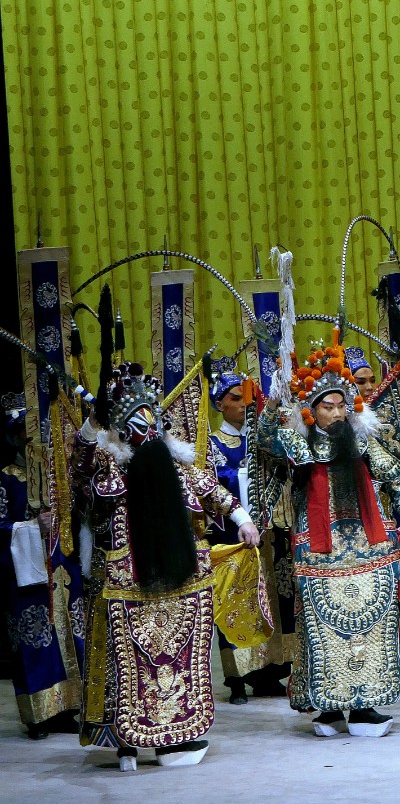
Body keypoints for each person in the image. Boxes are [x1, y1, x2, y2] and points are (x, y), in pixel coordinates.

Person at [72, 318, 257, 771]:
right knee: (126, 661)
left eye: (152, 425)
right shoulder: (108, 466)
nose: (147, 433)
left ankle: (175, 736)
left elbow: (212, 490)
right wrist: (90, 429)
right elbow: (80, 471)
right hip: (125, 578)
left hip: (181, 576)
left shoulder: (176, 467)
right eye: (138, 426)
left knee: (178, 657)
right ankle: (128, 740)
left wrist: (243, 519)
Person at [249, 335, 400, 737]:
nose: (337, 413)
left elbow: (396, 476)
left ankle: (363, 707)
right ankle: (328, 710)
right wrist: (274, 401)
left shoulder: (361, 440)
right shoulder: (299, 442)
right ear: (312, 411)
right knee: (321, 631)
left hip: (369, 548)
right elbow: (263, 439)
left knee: (370, 626)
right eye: (327, 407)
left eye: (342, 405)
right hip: (318, 552)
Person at [206, 366, 291, 703]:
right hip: (231, 535)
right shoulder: (212, 445)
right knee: (235, 601)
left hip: (269, 533)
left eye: (246, 399)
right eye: (234, 398)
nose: (243, 405)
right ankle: (237, 677)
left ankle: (270, 672)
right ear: (220, 404)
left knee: (273, 599)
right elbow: (212, 490)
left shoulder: (261, 440)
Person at [0, 395, 83, 739]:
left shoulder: (59, 476)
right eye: (26, 430)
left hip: (63, 566)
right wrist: (32, 527)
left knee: (71, 636)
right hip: (28, 574)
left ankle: (69, 708)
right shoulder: (6, 479)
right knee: (35, 642)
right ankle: (38, 715)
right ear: (16, 435)